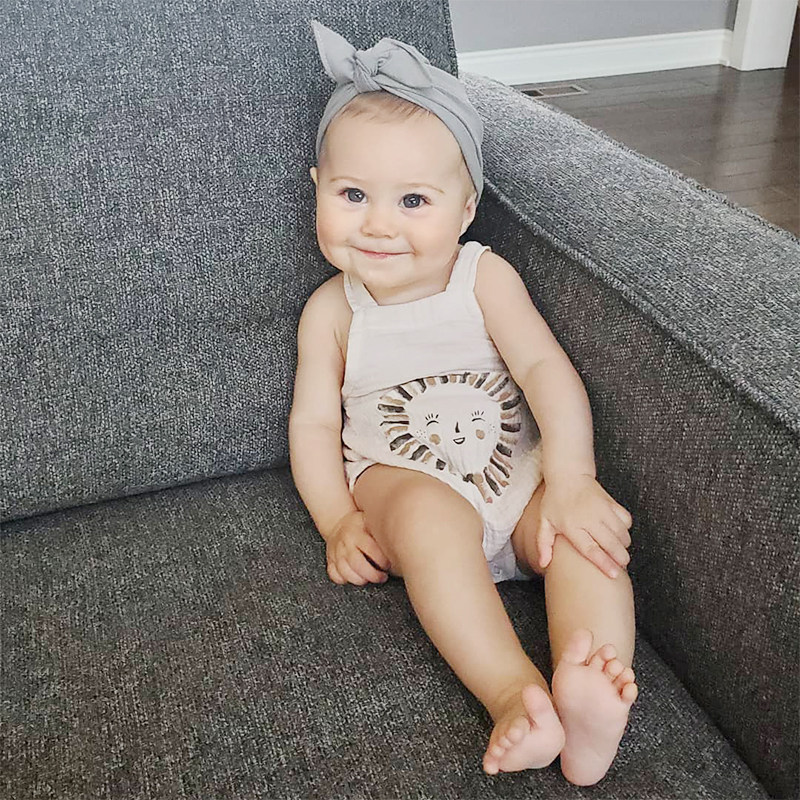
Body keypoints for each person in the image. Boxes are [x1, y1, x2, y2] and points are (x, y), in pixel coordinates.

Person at [289, 21, 638, 786]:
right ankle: (514, 694)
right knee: (428, 522)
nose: (379, 223)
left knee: (585, 539)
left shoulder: (484, 278)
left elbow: (545, 369)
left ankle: (590, 686)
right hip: (405, 484)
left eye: (414, 200)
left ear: (466, 206)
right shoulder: (334, 310)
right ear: (317, 188)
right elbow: (313, 425)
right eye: (353, 195)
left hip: (519, 484)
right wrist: (339, 520)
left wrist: (571, 480)